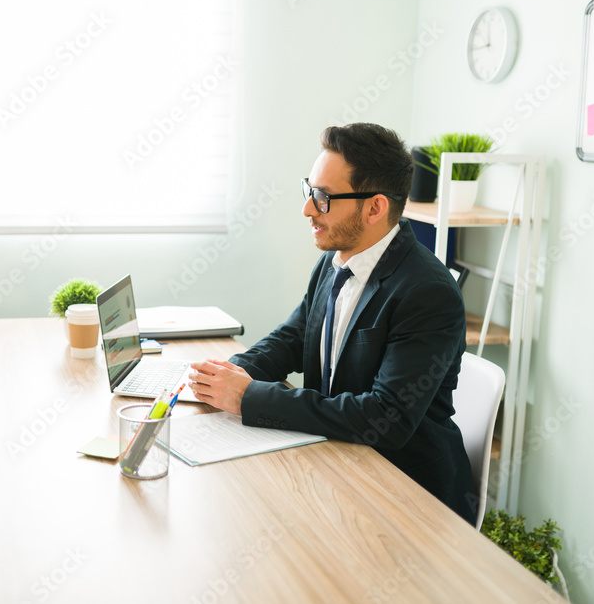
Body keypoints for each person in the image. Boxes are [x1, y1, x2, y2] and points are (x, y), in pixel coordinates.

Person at [188, 123, 476, 525]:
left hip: (404, 493)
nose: (308, 209)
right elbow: (293, 337)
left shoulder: (427, 293)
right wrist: (231, 374)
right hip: (337, 458)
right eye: (310, 191)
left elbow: (384, 419)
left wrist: (249, 397)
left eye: (323, 198)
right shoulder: (336, 257)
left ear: (374, 208)